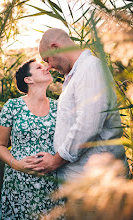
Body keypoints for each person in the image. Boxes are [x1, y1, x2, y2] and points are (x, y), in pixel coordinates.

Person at [26, 28, 129, 181]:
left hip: (98, 182)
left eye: (47, 59)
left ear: (55, 47)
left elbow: (87, 125)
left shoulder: (90, 68)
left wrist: (54, 162)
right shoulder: (76, 74)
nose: (48, 67)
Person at [0, 59, 59, 220]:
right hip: (19, 182)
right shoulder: (12, 106)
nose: (46, 68)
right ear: (28, 79)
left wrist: (55, 161)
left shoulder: (59, 106)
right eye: (39, 67)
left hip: (51, 182)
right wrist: (17, 164)